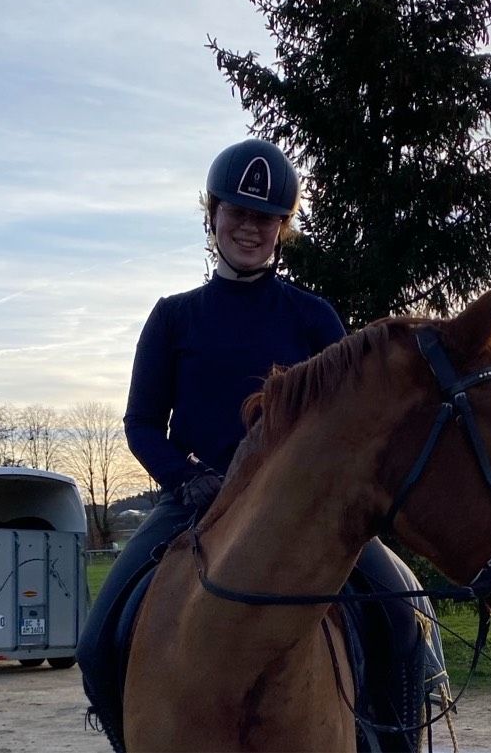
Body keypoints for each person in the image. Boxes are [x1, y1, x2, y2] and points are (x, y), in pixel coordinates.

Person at [76, 139, 346, 742]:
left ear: (283, 228)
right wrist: (186, 478)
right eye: (237, 212)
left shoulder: (315, 318)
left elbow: (339, 429)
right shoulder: (174, 317)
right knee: (97, 641)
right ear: (213, 216)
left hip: (296, 512)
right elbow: (141, 423)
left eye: (266, 217)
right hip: (190, 504)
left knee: (406, 623)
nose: (249, 228)